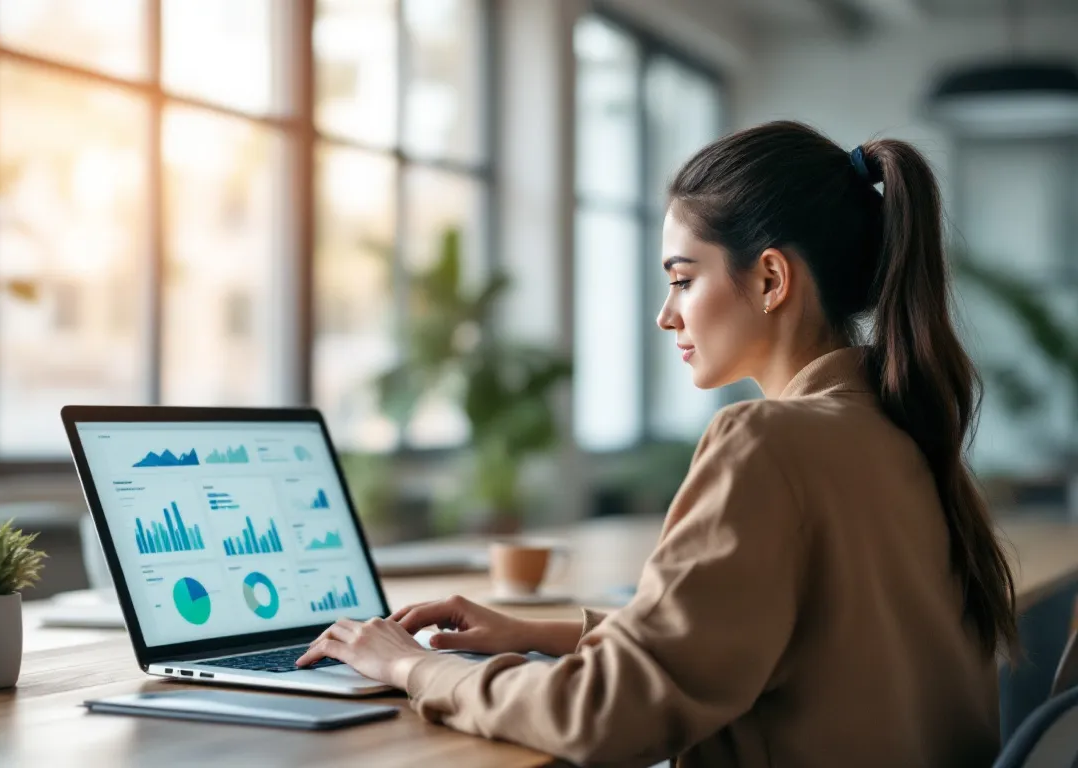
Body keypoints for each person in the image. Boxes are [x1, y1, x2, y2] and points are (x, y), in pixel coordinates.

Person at [296, 121, 1017, 767]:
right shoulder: (901, 426)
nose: (665, 315)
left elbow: (605, 717)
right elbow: (753, 635)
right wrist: (532, 632)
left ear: (771, 278)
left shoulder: (767, 441)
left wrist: (412, 667)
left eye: (682, 279)